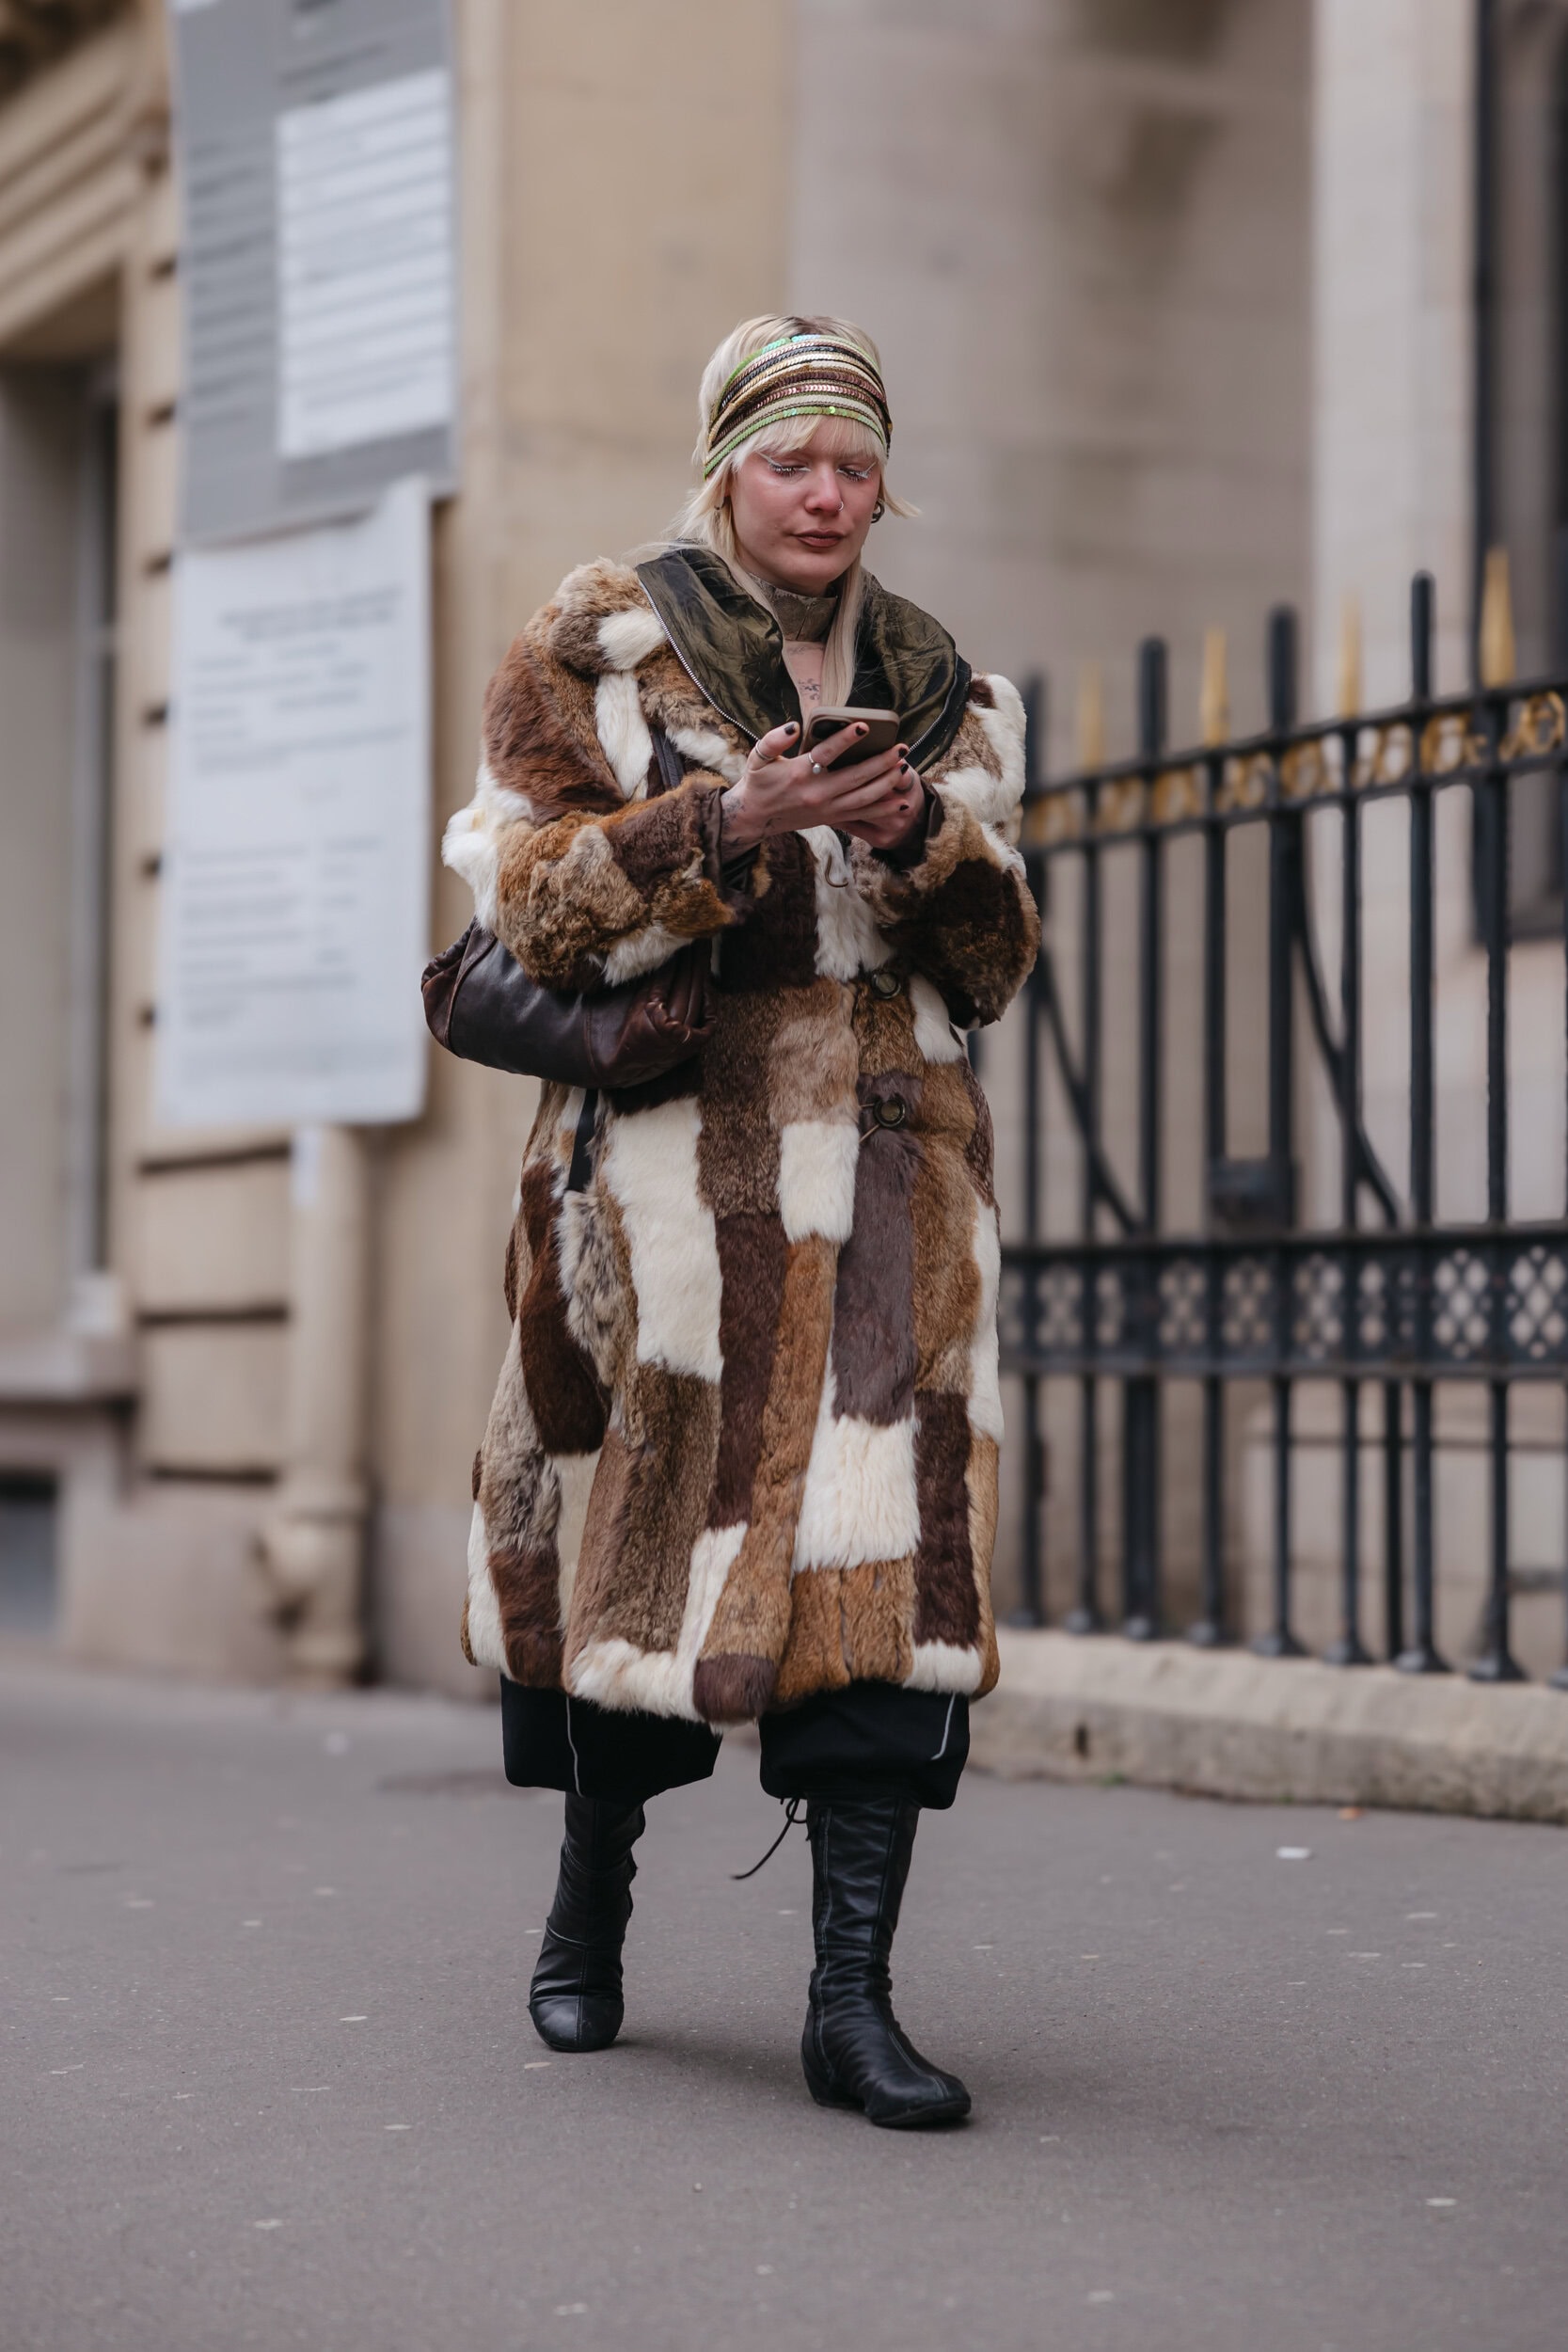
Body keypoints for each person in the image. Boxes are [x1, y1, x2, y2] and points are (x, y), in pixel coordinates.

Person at [438, 313, 1039, 2128]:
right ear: (729, 469)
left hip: (894, 1193)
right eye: (793, 460)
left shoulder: (950, 687)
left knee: (882, 1585)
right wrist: (725, 820)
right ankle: (588, 1907)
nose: (828, 494)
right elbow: (527, 906)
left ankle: (851, 2006)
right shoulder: (601, 643)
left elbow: (994, 962)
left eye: (856, 463)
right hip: (669, 1204)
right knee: (638, 1562)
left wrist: (921, 837)